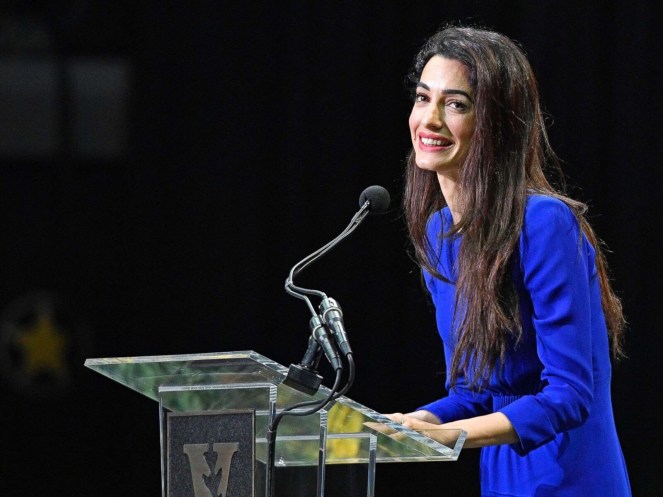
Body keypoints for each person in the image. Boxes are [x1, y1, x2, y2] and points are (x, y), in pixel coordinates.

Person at [387, 25, 631, 496]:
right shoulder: (440, 234)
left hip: (572, 476)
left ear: (496, 123)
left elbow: (569, 394)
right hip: (502, 476)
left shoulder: (544, 223)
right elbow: (476, 391)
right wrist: (418, 421)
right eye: (422, 98)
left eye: (456, 104)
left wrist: (451, 435)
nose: (430, 119)